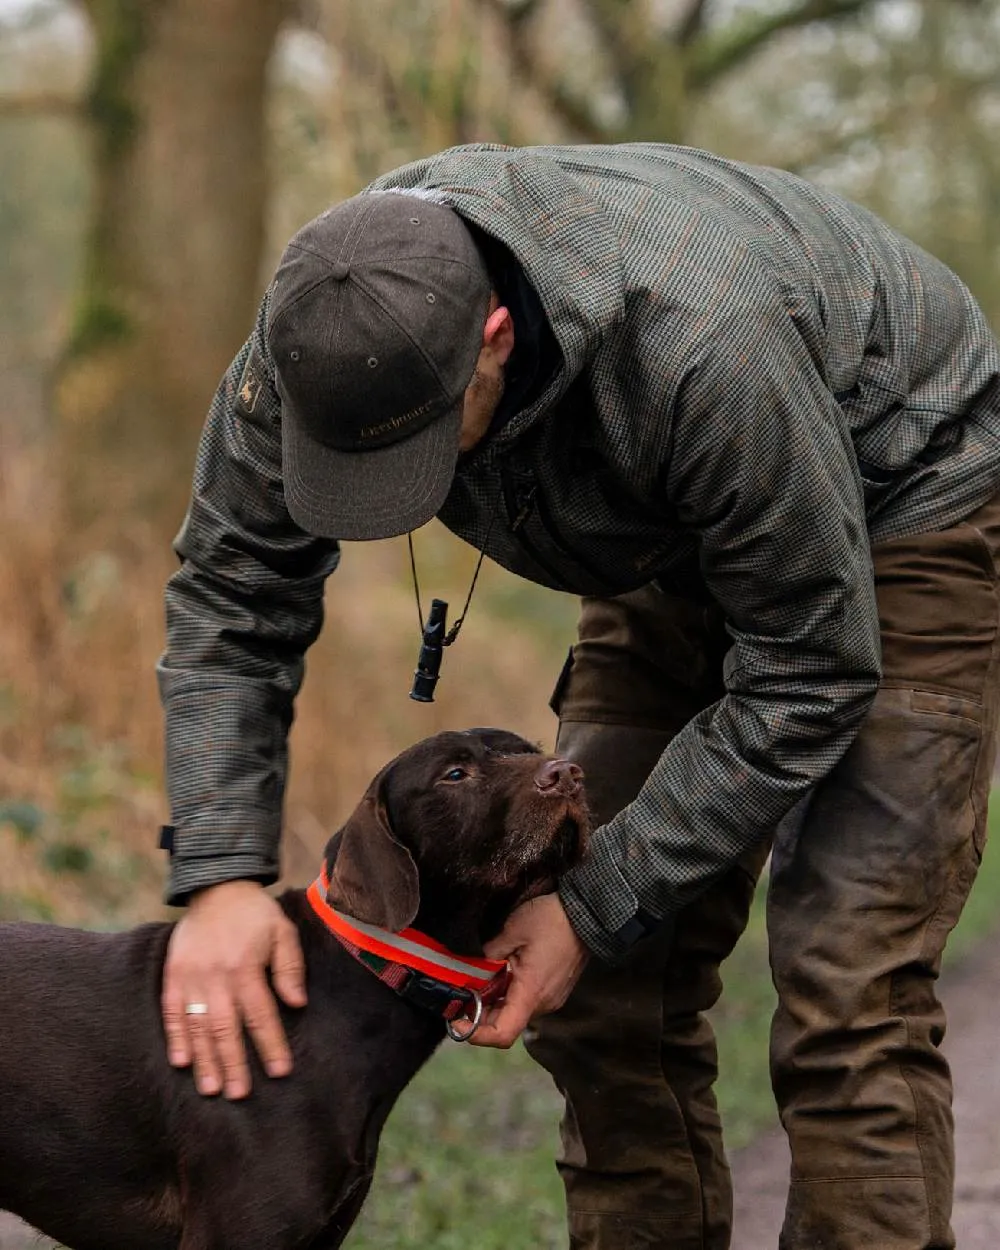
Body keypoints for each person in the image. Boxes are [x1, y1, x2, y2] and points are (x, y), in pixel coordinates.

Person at [157, 142, 1000, 1250]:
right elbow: (233, 587)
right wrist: (218, 876)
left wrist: (597, 900)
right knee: (591, 984)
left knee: (850, 987)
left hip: (904, 501)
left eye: (419, 447)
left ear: (492, 337)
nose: (392, 490)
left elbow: (808, 663)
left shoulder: (700, 342)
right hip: (660, 534)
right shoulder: (329, 331)